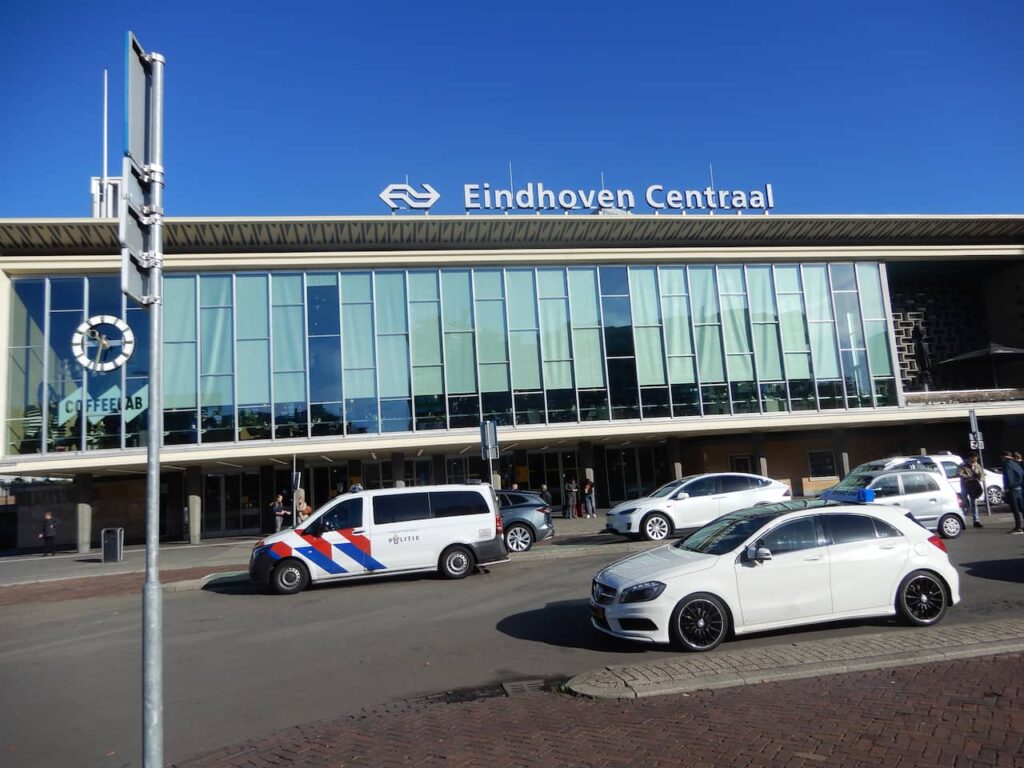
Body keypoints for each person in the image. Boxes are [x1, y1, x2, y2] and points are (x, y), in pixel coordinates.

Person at [957, 453, 985, 528]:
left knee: (974, 503)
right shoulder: (963, 465)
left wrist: (980, 478)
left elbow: (982, 475)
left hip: (974, 486)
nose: (975, 460)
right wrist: (969, 476)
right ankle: (962, 521)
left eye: (976, 458)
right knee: (965, 503)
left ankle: (976, 521)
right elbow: (959, 473)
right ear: (970, 458)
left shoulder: (977, 465)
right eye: (973, 458)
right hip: (965, 485)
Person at [1003, 450, 1024, 534]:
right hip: (1020, 489)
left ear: (1003, 457)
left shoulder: (1007, 465)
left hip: (1013, 490)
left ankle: (1018, 527)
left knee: (1015, 509)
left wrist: (1007, 488)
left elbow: (1009, 477)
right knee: (1022, 508)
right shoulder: (1016, 464)